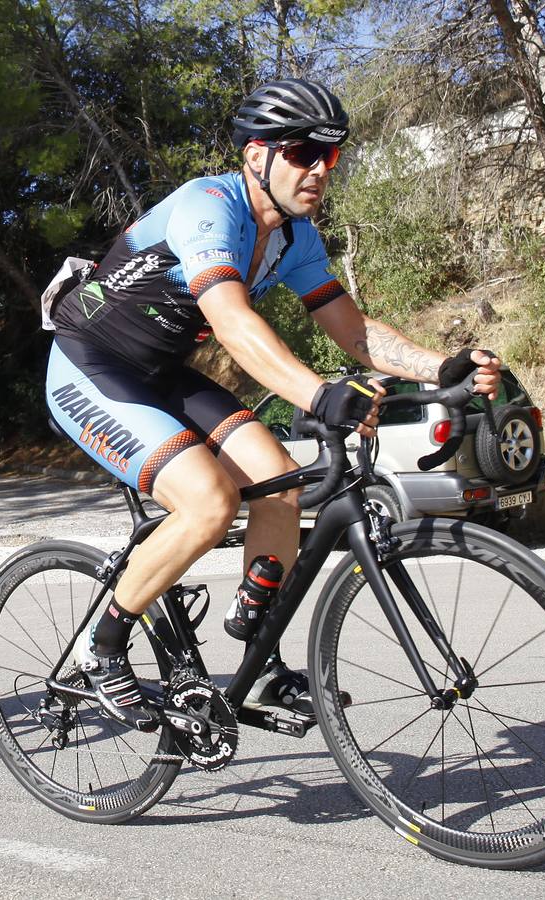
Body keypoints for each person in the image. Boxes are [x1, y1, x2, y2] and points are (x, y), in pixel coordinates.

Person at [46, 79, 501, 730]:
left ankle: (259, 666)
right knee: (208, 503)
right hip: (89, 365)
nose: (319, 170)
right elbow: (231, 321)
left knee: (281, 485)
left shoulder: (295, 237)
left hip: (162, 373)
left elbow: (353, 330)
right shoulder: (207, 206)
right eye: (302, 153)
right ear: (255, 155)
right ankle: (103, 644)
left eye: (330, 155)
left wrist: (441, 366)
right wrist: (319, 393)